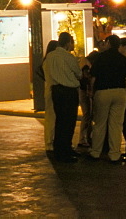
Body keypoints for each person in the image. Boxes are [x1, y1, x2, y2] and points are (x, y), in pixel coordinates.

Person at [89, 34, 126, 164]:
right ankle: (114, 154)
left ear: (109, 44)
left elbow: (93, 77)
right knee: (116, 125)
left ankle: (96, 152)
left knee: (100, 123)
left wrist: (92, 92)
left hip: (103, 92)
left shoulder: (101, 58)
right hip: (120, 93)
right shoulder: (123, 59)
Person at [41, 32, 82, 163]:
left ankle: (59, 149)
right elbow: (78, 73)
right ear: (68, 42)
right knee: (69, 122)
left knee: (59, 121)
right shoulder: (69, 57)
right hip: (69, 91)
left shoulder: (50, 57)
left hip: (56, 91)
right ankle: (65, 150)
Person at [38, 40, 59, 154]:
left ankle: (50, 141)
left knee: (51, 117)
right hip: (52, 90)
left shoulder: (46, 61)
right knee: (51, 117)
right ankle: (49, 142)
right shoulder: (51, 61)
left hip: (49, 90)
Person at [77, 52, 96, 149]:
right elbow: (86, 79)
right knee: (87, 114)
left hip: (84, 91)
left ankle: (88, 137)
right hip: (84, 92)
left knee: (89, 115)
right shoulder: (86, 66)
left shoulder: (85, 64)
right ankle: (82, 138)